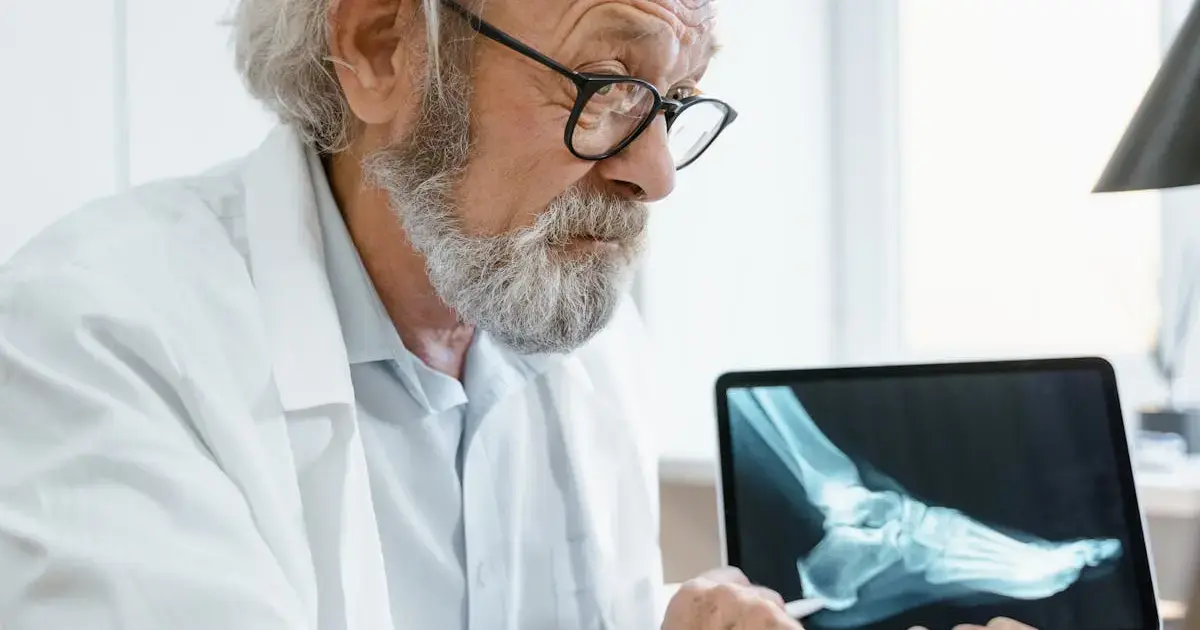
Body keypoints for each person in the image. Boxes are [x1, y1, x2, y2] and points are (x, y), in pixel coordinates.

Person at [0, 0, 1035, 628]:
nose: (656, 174)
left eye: (674, 100)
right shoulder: (100, 338)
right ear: (381, 48)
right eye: (607, 82)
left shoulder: (578, 334)